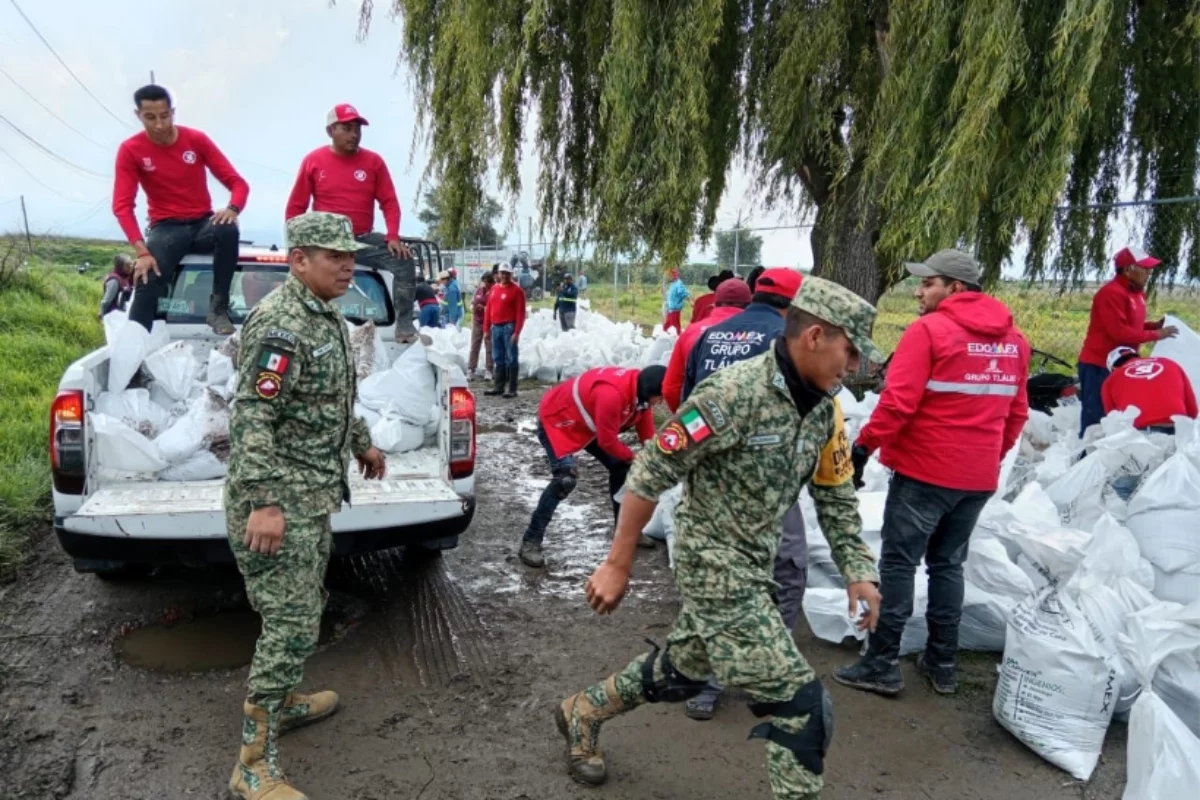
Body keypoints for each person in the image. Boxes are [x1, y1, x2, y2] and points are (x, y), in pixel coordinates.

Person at [554, 277, 882, 798]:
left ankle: (585, 709)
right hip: (711, 562)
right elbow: (649, 471)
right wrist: (618, 563)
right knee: (800, 706)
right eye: (851, 349)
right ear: (815, 336)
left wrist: (858, 571)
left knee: (682, 670)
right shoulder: (732, 395)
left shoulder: (822, 410)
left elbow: (835, 493)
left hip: (757, 561)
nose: (856, 364)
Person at [224, 212, 388, 800]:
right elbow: (252, 416)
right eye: (333, 256)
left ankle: (284, 701)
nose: (348, 265)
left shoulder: (324, 317)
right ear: (298, 261)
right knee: (289, 623)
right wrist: (265, 502)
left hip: (312, 496)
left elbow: (331, 399)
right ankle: (252, 766)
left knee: (305, 608)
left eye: (350, 256)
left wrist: (360, 440)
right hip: (280, 503)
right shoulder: (280, 325)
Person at [836, 249, 1029, 698]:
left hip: (924, 472)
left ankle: (882, 662)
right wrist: (988, 457)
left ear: (955, 288)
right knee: (948, 564)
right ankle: (943, 663)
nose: (919, 291)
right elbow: (1017, 413)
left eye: (928, 283)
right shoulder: (1015, 341)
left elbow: (898, 402)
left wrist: (862, 448)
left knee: (900, 563)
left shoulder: (929, 332)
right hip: (976, 479)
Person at [674, 268, 808, 721]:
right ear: (792, 307)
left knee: (718, 579)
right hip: (767, 484)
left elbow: (688, 407)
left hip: (713, 481)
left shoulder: (708, 337)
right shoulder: (791, 344)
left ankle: (705, 681)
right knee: (786, 571)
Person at [113, 84, 249, 335]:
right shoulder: (131, 150)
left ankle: (218, 308)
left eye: (164, 116)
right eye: (150, 117)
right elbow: (122, 206)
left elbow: (238, 184)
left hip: (202, 224)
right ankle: (133, 353)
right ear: (138, 115)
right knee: (146, 278)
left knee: (228, 228)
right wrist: (141, 251)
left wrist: (232, 208)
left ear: (173, 112)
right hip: (166, 229)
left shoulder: (195, 140)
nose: (159, 125)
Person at [285, 103, 417, 340]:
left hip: (362, 239)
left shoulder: (373, 162)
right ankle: (298, 322)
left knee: (404, 260)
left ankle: (405, 325)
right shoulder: (313, 161)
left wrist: (393, 236)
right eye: (346, 128)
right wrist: (295, 245)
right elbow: (296, 206)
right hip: (326, 241)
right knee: (305, 274)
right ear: (330, 131)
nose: (354, 134)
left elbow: (389, 202)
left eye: (357, 128)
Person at [517, 365, 667, 568]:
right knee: (565, 479)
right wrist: (635, 457)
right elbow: (608, 442)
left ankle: (623, 532)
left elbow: (645, 428)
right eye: (660, 397)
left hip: (588, 422)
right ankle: (531, 541)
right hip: (558, 418)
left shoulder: (640, 395)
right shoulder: (612, 395)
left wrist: (653, 453)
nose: (662, 402)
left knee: (622, 467)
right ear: (650, 390)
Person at [1077, 245, 1179, 439]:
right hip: (1098, 365)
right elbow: (1121, 333)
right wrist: (1157, 334)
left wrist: (1152, 325)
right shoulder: (1111, 294)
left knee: (1119, 413)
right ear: (1128, 269)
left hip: (1122, 364)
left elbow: (1133, 325)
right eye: (1144, 268)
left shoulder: (1137, 293)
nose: (1149, 272)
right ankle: (1086, 458)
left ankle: (1111, 455)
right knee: (1096, 414)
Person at [682, 268, 803, 400]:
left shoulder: (709, 334)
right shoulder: (788, 339)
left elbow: (688, 402)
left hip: (705, 418)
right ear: (796, 304)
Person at [663, 278, 751, 412]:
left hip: (701, 417)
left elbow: (670, 388)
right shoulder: (758, 335)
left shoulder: (691, 332)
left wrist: (686, 416)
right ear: (749, 305)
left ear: (714, 303)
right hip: (743, 416)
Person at [484, 262, 526, 398]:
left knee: (511, 357)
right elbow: (488, 310)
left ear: (511, 274)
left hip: (509, 327)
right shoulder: (494, 289)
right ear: (498, 274)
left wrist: (517, 332)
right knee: (498, 357)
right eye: (502, 273)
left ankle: (512, 388)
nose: (504, 276)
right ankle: (499, 386)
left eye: (507, 273)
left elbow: (520, 313)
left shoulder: (517, 290)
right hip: (496, 327)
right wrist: (486, 329)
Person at [468, 272, 495, 381]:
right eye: (483, 281)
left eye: (486, 282)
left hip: (489, 322)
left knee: (489, 346)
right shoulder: (478, 291)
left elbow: (495, 308)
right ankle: (471, 369)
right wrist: (473, 307)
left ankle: (489, 369)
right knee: (475, 345)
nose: (484, 284)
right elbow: (472, 302)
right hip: (477, 320)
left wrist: (484, 308)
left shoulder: (494, 292)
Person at [664, 269, 690, 333]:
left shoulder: (678, 283)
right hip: (671, 308)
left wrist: (688, 299)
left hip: (675, 308)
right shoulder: (673, 283)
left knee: (674, 326)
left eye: (669, 276)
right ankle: (664, 334)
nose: (668, 278)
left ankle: (677, 338)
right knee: (668, 325)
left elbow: (683, 293)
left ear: (674, 275)